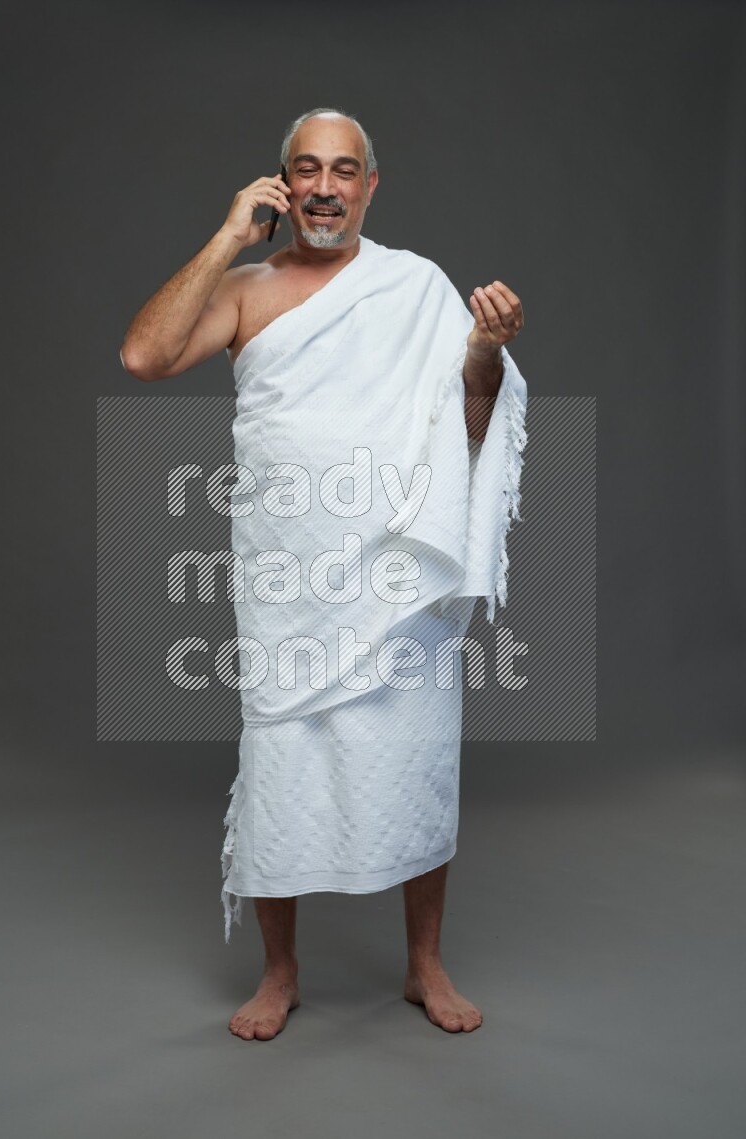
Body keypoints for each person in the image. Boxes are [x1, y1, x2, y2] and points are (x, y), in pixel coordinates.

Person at [120, 107, 526, 1041]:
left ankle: (424, 963)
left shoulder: (416, 287)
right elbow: (145, 355)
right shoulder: (247, 290)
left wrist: (484, 352)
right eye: (307, 168)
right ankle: (280, 972)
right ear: (282, 183)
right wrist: (228, 235)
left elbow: (468, 428)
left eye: (344, 170)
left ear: (369, 186)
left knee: (417, 755)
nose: (325, 187)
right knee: (283, 762)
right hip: (286, 575)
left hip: (398, 576)